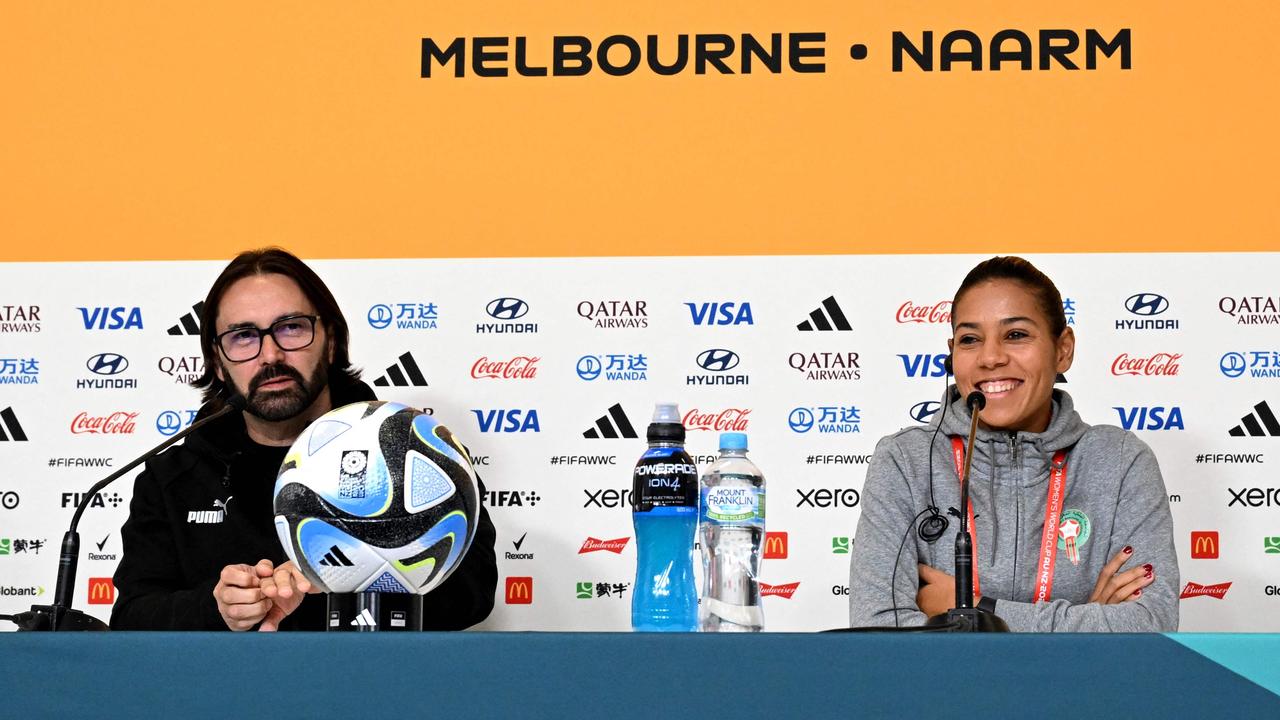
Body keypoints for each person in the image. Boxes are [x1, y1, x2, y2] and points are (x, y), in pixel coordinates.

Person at [111, 248, 497, 631]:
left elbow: (472, 595)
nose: (271, 355)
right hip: (230, 691)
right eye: (244, 336)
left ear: (330, 340)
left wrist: (342, 579)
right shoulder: (172, 476)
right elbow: (132, 616)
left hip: (375, 686)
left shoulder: (417, 451)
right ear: (216, 360)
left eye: (291, 327)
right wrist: (218, 609)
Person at [848, 256, 1178, 631]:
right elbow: (880, 630)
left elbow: (1149, 625)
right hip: (944, 691)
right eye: (970, 339)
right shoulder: (904, 461)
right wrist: (1087, 622)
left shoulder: (1121, 461)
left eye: (1016, 335)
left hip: (1082, 692)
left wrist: (976, 608)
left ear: (1063, 349)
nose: (990, 358)